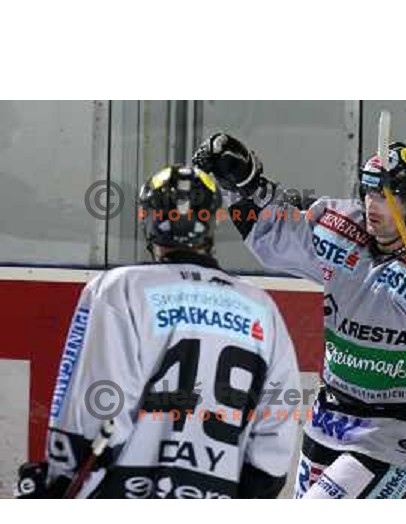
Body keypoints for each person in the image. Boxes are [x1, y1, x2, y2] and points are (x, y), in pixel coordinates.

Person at [192, 134, 406, 499]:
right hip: (328, 420)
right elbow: (273, 231)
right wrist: (241, 183)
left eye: (387, 198)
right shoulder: (339, 227)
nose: (373, 206)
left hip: (397, 436)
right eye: (369, 193)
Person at [15, 164, 301, 499]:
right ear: (213, 220)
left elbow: (95, 411)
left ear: (148, 219)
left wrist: (60, 483)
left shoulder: (119, 289)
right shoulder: (260, 307)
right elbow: (278, 429)